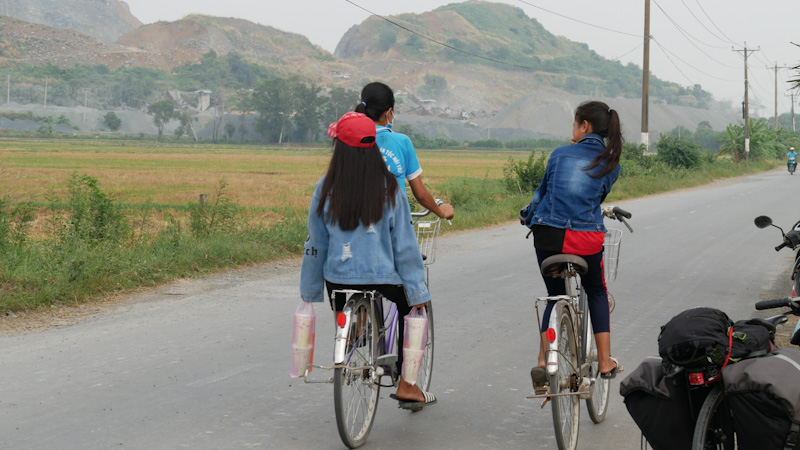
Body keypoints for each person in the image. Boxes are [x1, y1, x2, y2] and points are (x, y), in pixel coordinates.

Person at [299, 111, 437, 408]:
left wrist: (308, 293)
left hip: (338, 280)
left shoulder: (325, 187)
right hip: (382, 277)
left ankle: (353, 328)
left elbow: (316, 243)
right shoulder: (389, 188)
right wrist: (417, 293)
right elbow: (405, 246)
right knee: (409, 309)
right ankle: (408, 384)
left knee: (342, 288)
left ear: (340, 150)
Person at [519, 100, 623, 387]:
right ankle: (604, 361)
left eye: (574, 124)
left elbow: (541, 197)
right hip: (585, 241)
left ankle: (543, 361)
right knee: (597, 290)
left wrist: (527, 217)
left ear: (584, 126)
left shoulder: (559, 155)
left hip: (548, 238)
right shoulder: (611, 163)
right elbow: (595, 199)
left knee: (554, 295)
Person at [355, 82, 455, 221]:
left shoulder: (348, 140)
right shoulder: (402, 142)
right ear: (389, 112)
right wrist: (441, 211)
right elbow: (420, 193)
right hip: (395, 225)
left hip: (357, 223)